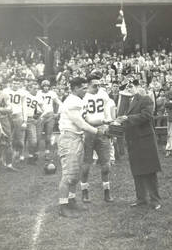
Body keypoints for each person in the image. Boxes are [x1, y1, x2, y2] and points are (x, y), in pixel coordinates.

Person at [58, 77, 108, 217]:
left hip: (76, 138)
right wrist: (98, 131)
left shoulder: (78, 101)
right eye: (83, 88)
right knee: (68, 174)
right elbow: (81, 124)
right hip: (69, 138)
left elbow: (89, 120)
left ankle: (71, 200)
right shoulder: (71, 102)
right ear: (74, 88)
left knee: (76, 173)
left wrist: (104, 120)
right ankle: (63, 207)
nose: (85, 91)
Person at [117, 79, 162, 210]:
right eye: (125, 87)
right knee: (136, 170)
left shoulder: (145, 99)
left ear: (136, 87)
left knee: (149, 171)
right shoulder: (125, 101)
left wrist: (128, 118)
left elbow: (147, 116)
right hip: (132, 140)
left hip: (145, 140)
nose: (128, 88)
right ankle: (141, 199)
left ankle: (155, 200)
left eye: (130, 86)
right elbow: (120, 116)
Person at [81, 73, 114, 203]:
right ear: (88, 85)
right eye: (95, 85)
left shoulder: (103, 94)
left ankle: (106, 191)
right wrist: (102, 121)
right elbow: (85, 119)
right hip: (88, 131)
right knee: (86, 165)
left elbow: (107, 112)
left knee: (106, 165)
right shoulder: (83, 96)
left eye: (99, 85)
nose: (98, 87)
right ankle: (84, 191)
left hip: (102, 130)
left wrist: (107, 125)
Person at [36, 79, 62, 161]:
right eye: (44, 86)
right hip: (41, 114)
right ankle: (36, 154)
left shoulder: (52, 93)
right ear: (42, 86)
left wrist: (57, 113)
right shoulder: (38, 93)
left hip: (50, 115)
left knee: (48, 135)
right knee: (38, 135)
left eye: (47, 86)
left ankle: (47, 153)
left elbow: (59, 103)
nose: (46, 88)